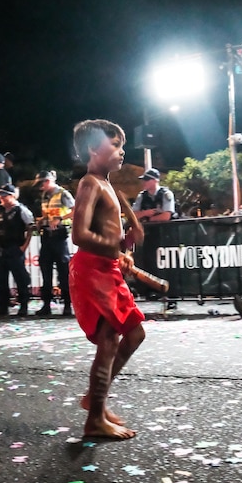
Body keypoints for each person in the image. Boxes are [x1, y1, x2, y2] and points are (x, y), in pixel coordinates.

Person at [70, 119, 146, 439]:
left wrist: (120, 250)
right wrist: (114, 248)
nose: (121, 150)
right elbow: (79, 235)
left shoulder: (107, 184)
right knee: (108, 340)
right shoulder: (90, 183)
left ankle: (94, 401)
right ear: (92, 149)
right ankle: (95, 419)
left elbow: (103, 236)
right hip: (91, 271)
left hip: (106, 268)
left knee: (134, 334)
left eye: (121, 145)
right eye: (114, 144)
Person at [0, 184, 34, 316]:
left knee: (20, 278)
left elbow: (30, 227)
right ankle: (2, 306)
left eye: (5, 196)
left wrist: (24, 246)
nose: (2, 199)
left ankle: (23, 306)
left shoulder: (21, 210)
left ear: (11, 196)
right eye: (1, 196)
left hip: (15, 248)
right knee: (0, 279)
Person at [35, 170, 74, 316]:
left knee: (63, 272)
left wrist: (60, 219)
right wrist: (41, 221)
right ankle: (46, 305)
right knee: (45, 270)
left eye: (41, 183)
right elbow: (47, 213)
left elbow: (76, 211)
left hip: (59, 236)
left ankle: (67, 305)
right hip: (46, 236)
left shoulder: (63, 194)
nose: (40, 187)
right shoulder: (45, 195)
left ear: (47, 181)